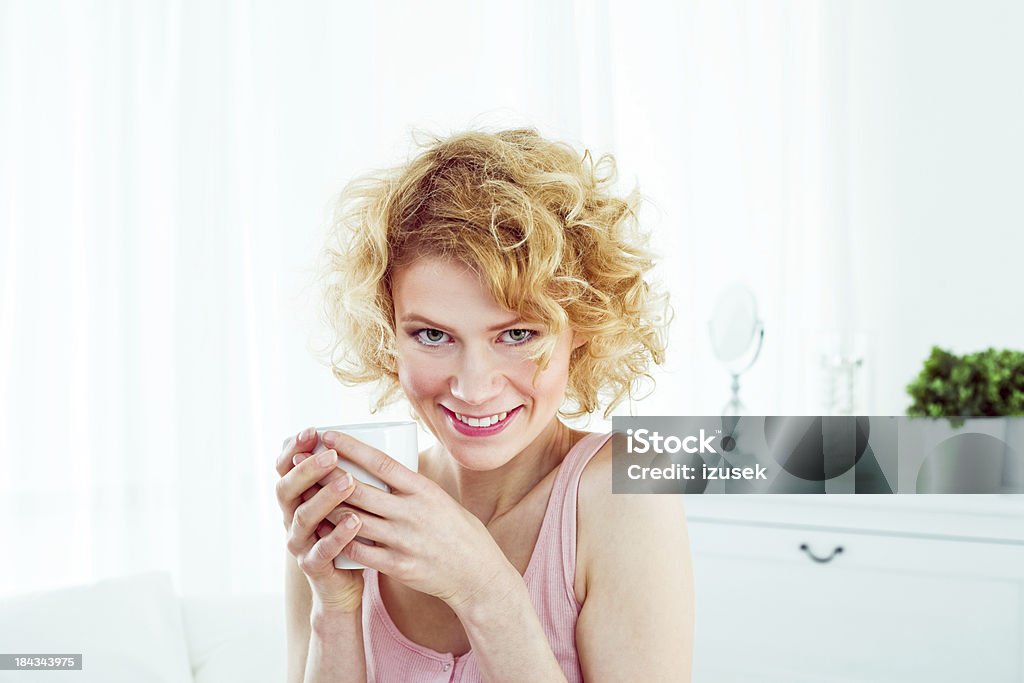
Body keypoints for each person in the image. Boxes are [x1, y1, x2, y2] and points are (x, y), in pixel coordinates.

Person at [274, 128, 694, 682]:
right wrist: (335, 603)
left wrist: (486, 591)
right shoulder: (357, 517)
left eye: (517, 335)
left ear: (582, 330)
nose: (473, 388)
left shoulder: (624, 496)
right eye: (431, 336)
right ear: (387, 333)